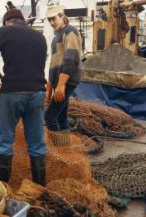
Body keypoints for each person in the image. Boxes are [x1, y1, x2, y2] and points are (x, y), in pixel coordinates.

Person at [0, 8, 48, 186]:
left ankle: (2, 190)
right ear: (21, 20)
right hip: (38, 93)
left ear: (7, 22)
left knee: (4, 141)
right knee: (37, 143)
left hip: (12, 92)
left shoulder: (3, 32)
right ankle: (39, 190)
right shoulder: (40, 37)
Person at [44, 5, 82, 146]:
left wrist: (61, 85)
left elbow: (71, 60)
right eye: (49, 20)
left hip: (66, 81)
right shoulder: (57, 36)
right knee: (60, 117)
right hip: (59, 82)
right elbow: (54, 63)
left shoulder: (70, 32)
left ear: (62, 16)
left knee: (49, 116)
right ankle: (66, 149)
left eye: (53, 18)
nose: (52, 22)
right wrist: (50, 85)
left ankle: (60, 152)